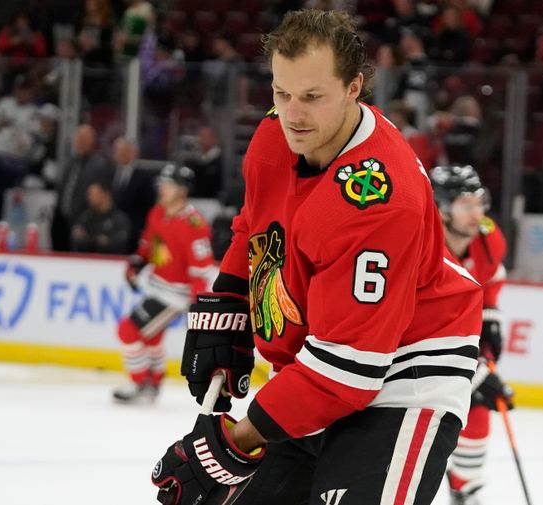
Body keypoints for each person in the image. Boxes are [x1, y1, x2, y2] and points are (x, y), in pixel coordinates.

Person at [150, 10, 483, 505]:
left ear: (354, 87)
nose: (293, 114)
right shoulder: (273, 136)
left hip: (403, 369)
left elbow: (350, 369)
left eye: (311, 97)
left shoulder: (378, 199)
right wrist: (231, 297)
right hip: (321, 362)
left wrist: (233, 444)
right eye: (281, 94)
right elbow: (256, 225)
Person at [428, 165, 514, 505]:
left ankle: (465, 486)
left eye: (479, 202)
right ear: (441, 208)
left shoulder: (489, 238)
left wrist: (490, 320)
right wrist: (475, 371)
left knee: (477, 402)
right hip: (405, 344)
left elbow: (490, 282)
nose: (476, 213)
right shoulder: (422, 243)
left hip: (456, 327)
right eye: (465, 205)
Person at [112, 164, 216, 404]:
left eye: (167, 184)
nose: (162, 188)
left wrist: (197, 303)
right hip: (157, 287)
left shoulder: (194, 225)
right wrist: (137, 262)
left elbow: (201, 269)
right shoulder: (158, 212)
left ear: (182, 190)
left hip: (175, 296)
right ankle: (154, 380)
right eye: (162, 184)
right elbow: (148, 244)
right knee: (151, 336)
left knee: (128, 330)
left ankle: (139, 383)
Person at [51, 124, 113, 251]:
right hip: (61, 220)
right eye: (79, 138)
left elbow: (100, 199)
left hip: (83, 222)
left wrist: (87, 221)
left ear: (93, 142)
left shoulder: (100, 165)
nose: (80, 142)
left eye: (85, 139)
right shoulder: (69, 162)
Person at [110, 136, 155, 252]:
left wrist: (142, 229)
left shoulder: (144, 177)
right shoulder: (109, 173)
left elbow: (149, 205)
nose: (122, 154)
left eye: (126, 151)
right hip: (111, 230)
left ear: (134, 154)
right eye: (119, 151)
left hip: (133, 231)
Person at [71, 182, 131, 255]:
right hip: (87, 261)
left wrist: (93, 240)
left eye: (92, 194)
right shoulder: (86, 217)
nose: (89, 197)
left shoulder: (120, 219)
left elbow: (119, 244)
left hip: (110, 262)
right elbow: (77, 240)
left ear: (105, 194)